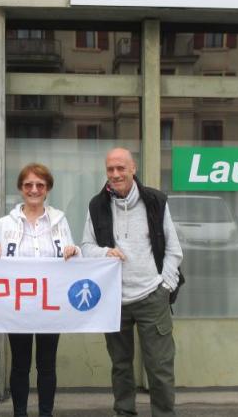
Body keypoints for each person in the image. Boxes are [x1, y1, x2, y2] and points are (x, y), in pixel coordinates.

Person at [81, 148, 183, 417]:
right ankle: (124, 412)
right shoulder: (97, 205)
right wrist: (105, 252)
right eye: (110, 169)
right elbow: (86, 246)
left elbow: (174, 249)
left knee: (160, 367)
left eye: (120, 168)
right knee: (121, 366)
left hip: (152, 296)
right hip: (114, 300)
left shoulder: (155, 201)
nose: (115, 174)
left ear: (133, 168)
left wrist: (165, 287)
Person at [0, 163, 79, 417]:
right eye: (28, 185)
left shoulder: (60, 221)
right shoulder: (5, 223)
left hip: (51, 305)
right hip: (18, 306)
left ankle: (46, 413)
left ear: (47, 190)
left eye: (40, 185)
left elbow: (74, 258)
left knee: (47, 365)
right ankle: (20, 413)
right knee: (20, 364)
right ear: (20, 189)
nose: (34, 190)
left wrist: (74, 251)